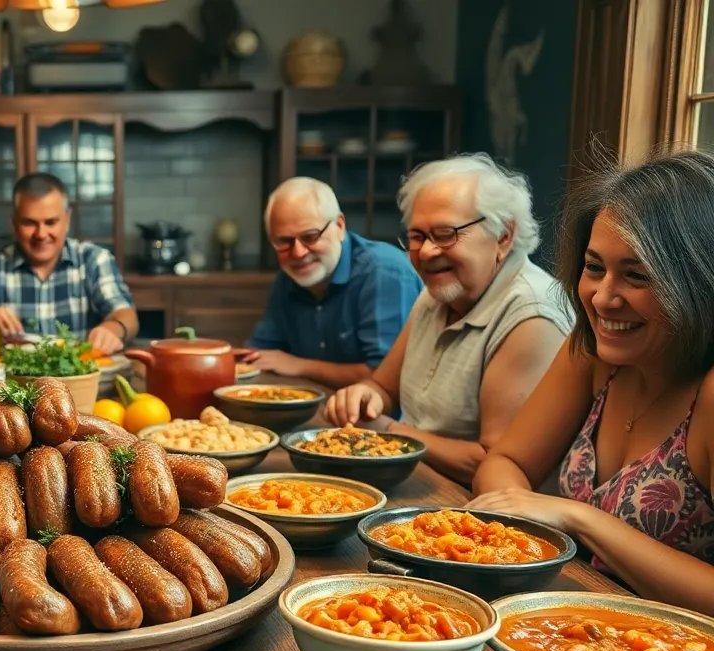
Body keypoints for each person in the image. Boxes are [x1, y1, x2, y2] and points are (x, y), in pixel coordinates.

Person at [471, 151, 714, 615]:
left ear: (700, 282)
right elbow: (504, 460)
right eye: (595, 267)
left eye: (637, 276)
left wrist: (579, 518)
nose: (602, 298)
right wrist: (510, 522)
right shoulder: (594, 351)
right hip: (568, 621)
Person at [324, 153, 572, 484]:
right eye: (417, 236)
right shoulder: (438, 292)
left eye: (445, 234)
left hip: (477, 515)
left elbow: (494, 461)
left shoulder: (533, 316)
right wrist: (362, 397)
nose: (426, 252)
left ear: (503, 236)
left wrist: (387, 431)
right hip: (414, 483)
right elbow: (382, 387)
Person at [245, 177, 423, 389]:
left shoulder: (384, 272)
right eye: (284, 241)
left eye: (310, 236)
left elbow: (385, 377)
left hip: (383, 417)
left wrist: (299, 366)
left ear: (339, 226)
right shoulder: (288, 278)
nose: (298, 253)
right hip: (316, 409)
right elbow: (259, 356)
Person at [0, 173, 137, 354]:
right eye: (29, 223)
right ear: (13, 223)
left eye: (51, 222)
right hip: (14, 387)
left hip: (80, 383)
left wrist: (113, 329)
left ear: (67, 221)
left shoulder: (94, 260)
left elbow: (126, 314)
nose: (41, 234)